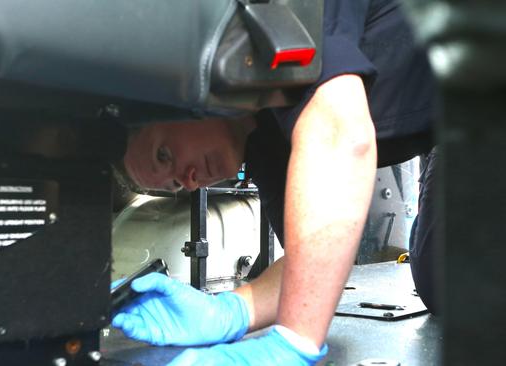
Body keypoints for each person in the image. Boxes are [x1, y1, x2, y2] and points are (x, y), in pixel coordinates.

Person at [112, 0, 438, 364]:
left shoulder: (267, 14)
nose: (189, 181)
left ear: (177, 96)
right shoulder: (264, 142)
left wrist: (295, 341)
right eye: (174, 184)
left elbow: (339, 133)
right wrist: (231, 311)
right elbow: (317, 255)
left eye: (165, 155)